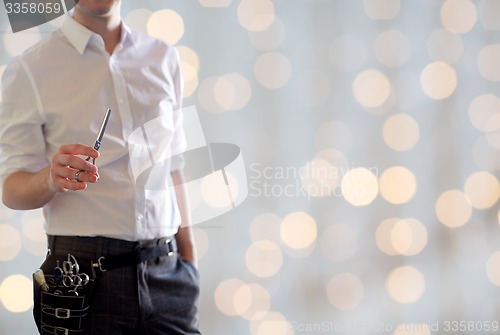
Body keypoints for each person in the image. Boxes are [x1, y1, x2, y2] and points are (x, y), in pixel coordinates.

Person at [0, 0, 201, 334]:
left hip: (170, 275)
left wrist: (189, 260)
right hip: (80, 278)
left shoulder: (165, 57)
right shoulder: (29, 69)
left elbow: (174, 165)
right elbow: (10, 189)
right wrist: (51, 178)